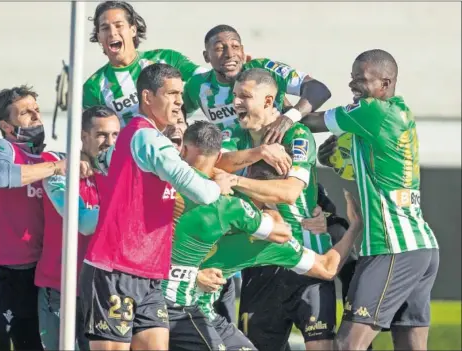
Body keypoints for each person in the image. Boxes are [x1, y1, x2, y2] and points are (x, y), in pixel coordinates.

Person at [79, 63, 236, 351]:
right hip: (116, 268)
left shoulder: (139, 138)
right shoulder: (147, 137)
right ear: (148, 97)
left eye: (181, 94)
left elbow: (105, 161)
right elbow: (202, 191)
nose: (179, 101)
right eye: (172, 93)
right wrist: (220, 186)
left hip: (150, 272)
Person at [300, 49, 439, 350]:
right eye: (352, 78)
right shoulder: (397, 113)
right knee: (410, 346)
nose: (353, 86)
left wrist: (275, 112)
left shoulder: (372, 111)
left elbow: (311, 121)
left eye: (361, 80)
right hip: (421, 247)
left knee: (347, 345)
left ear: (385, 84)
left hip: (392, 247)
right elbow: (364, 165)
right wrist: (337, 158)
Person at [213, 68, 337, 350]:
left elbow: (291, 192)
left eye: (245, 96)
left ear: (269, 101)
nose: (236, 103)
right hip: (259, 263)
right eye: (234, 95)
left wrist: (234, 179)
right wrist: (256, 154)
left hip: (306, 262)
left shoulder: (297, 134)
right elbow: (210, 165)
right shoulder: (233, 134)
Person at [163, 121, 293, 351]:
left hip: (212, 287)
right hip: (173, 292)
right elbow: (282, 231)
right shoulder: (221, 198)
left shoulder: (217, 192)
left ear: (183, 149)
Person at [0, 85, 66, 350]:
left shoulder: (52, 157)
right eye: (26, 112)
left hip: (37, 277)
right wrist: (55, 168)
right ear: (7, 125)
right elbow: (0, 176)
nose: (36, 116)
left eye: (37, 109)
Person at [35, 106, 121, 350]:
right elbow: (82, 223)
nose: (110, 142)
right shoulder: (55, 164)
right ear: (83, 137)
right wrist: (125, 212)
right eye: (102, 135)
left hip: (103, 289)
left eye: (115, 135)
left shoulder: (120, 173)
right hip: (59, 287)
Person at [183, 24, 331, 144]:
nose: (229, 54)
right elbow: (176, 114)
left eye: (235, 47)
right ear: (206, 56)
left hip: (277, 158)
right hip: (233, 162)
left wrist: (287, 118)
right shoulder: (198, 85)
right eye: (220, 48)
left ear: (242, 51)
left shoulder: (263, 69)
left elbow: (318, 89)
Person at [82, 0, 208, 127]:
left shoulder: (167, 58)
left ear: (133, 30)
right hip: (131, 146)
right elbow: (93, 135)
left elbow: (206, 79)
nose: (112, 33)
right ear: (98, 37)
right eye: (105, 28)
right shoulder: (93, 87)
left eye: (119, 25)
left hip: (174, 144)